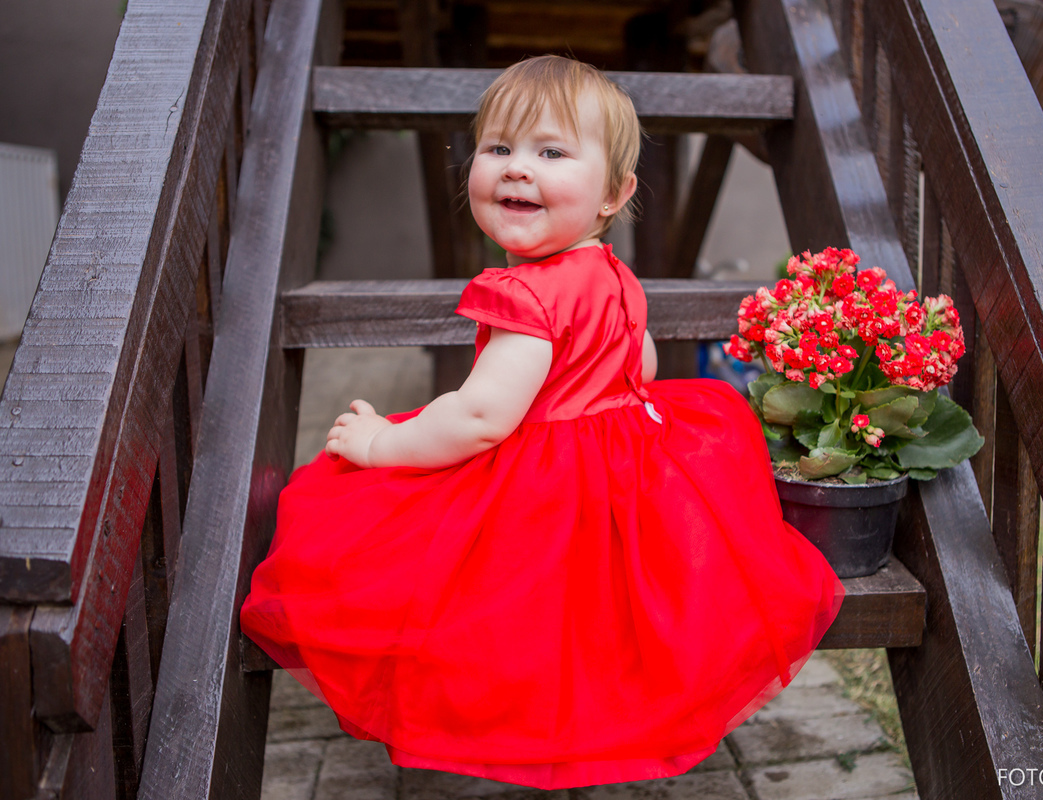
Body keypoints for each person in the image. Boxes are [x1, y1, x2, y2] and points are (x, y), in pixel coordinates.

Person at [240, 54, 843, 790]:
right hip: (627, 473)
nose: (518, 168)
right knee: (619, 602)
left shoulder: (524, 297)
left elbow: (481, 417)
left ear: (614, 193)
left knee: (404, 555)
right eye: (498, 148)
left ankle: (497, 716)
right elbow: (643, 363)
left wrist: (380, 443)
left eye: (551, 153)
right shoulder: (612, 274)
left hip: (550, 491)